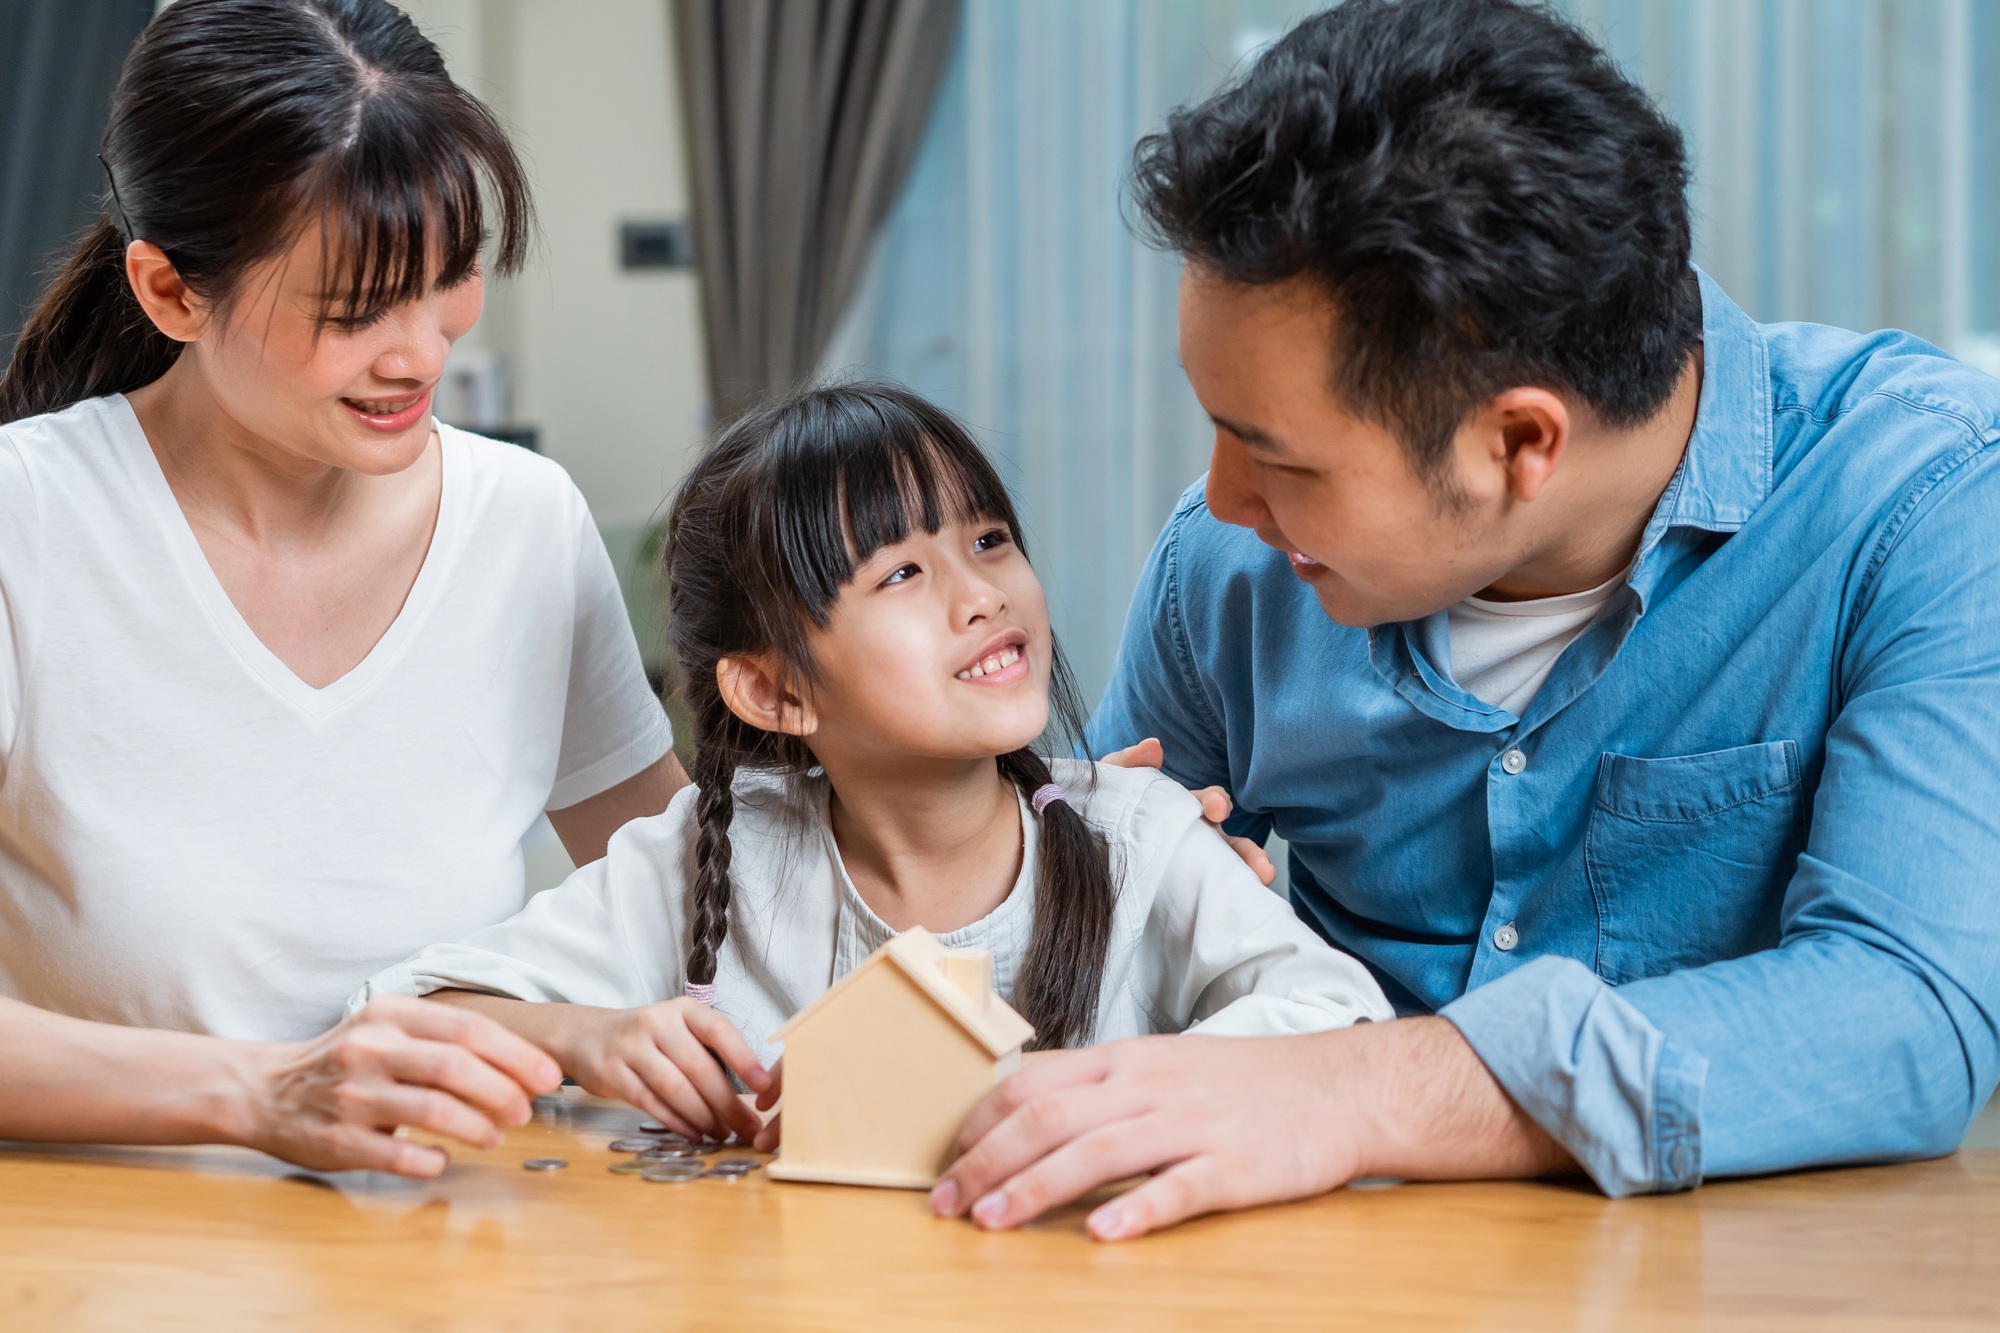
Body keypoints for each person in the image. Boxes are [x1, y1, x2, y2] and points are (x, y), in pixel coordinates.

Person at [929, 0, 2000, 1241]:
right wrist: (1130, 918)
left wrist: (1353, 1092)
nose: (1222, 499)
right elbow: (1079, 925)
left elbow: (1907, 1010)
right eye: (1213, 426)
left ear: (1518, 444)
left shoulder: (1920, 498)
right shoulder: (1224, 563)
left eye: (1275, 456)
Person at [349, 383, 1392, 1144]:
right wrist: (591, 1037)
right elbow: (405, 1017)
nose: (981, 591)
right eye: (901, 570)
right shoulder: (712, 857)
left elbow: (1339, 1022)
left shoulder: (1140, 835)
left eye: (987, 540)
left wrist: (1052, 1097)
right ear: (773, 690)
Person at [0, 0, 679, 1049]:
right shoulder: (30, 521)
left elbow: (680, 899)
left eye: (450, 276)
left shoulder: (523, 522)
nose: (421, 354)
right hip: (111, 1213)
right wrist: (265, 1099)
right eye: (358, 307)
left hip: (453, 1205)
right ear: (171, 292)